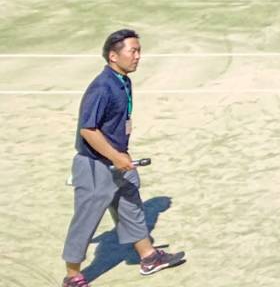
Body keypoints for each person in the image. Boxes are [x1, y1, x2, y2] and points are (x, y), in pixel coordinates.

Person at [60, 30, 186, 287]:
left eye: (139, 50)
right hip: (95, 166)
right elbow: (88, 129)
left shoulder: (123, 81)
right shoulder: (102, 87)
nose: (138, 56)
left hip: (118, 161)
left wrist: (122, 154)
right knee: (86, 220)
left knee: (131, 207)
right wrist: (116, 156)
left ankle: (148, 256)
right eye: (133, 51)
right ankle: (73, 276)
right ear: (113, 56)